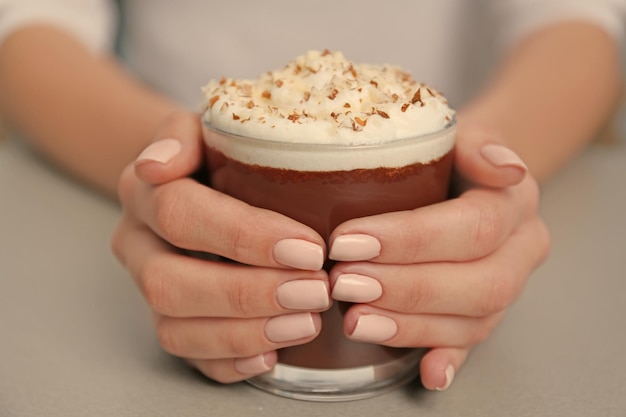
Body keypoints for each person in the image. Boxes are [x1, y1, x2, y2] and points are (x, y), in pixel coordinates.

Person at [0, 0, 623, 392]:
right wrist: (170, 166)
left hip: (432, 125)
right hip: (203, 120)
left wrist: (485, 179)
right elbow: (30, 25)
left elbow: (577, 20)